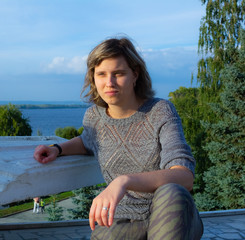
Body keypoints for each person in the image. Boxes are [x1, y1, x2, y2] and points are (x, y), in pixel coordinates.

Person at [34, 36, 203, 239]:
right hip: (123, 222)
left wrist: (124, 181)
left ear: (135, 74)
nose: (109, 83)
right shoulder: (94, 117)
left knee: (171, 192)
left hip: (171, 217)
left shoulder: (160, 111)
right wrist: (57, 149)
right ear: (93, 78)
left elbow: (184, 177)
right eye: (101, 74)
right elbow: (87, 140)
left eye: (119, 73)